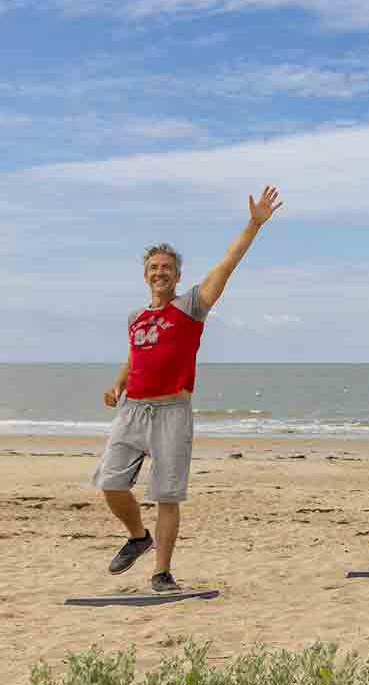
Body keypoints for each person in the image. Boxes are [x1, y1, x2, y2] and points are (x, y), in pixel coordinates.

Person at [95, 186, 283, 592]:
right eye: (153, 267)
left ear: (177, 275)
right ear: (145, 274)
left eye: (166, 267)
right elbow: (136, 357)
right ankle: (137, 537)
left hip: (172, 411)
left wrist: (253, 223)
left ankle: (161, 572)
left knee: (167, 494)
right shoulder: (136, 317)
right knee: (110, 483)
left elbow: (227, 264)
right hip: (132, 410)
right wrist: (117, 384)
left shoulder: (191, 306)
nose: (159, 272)